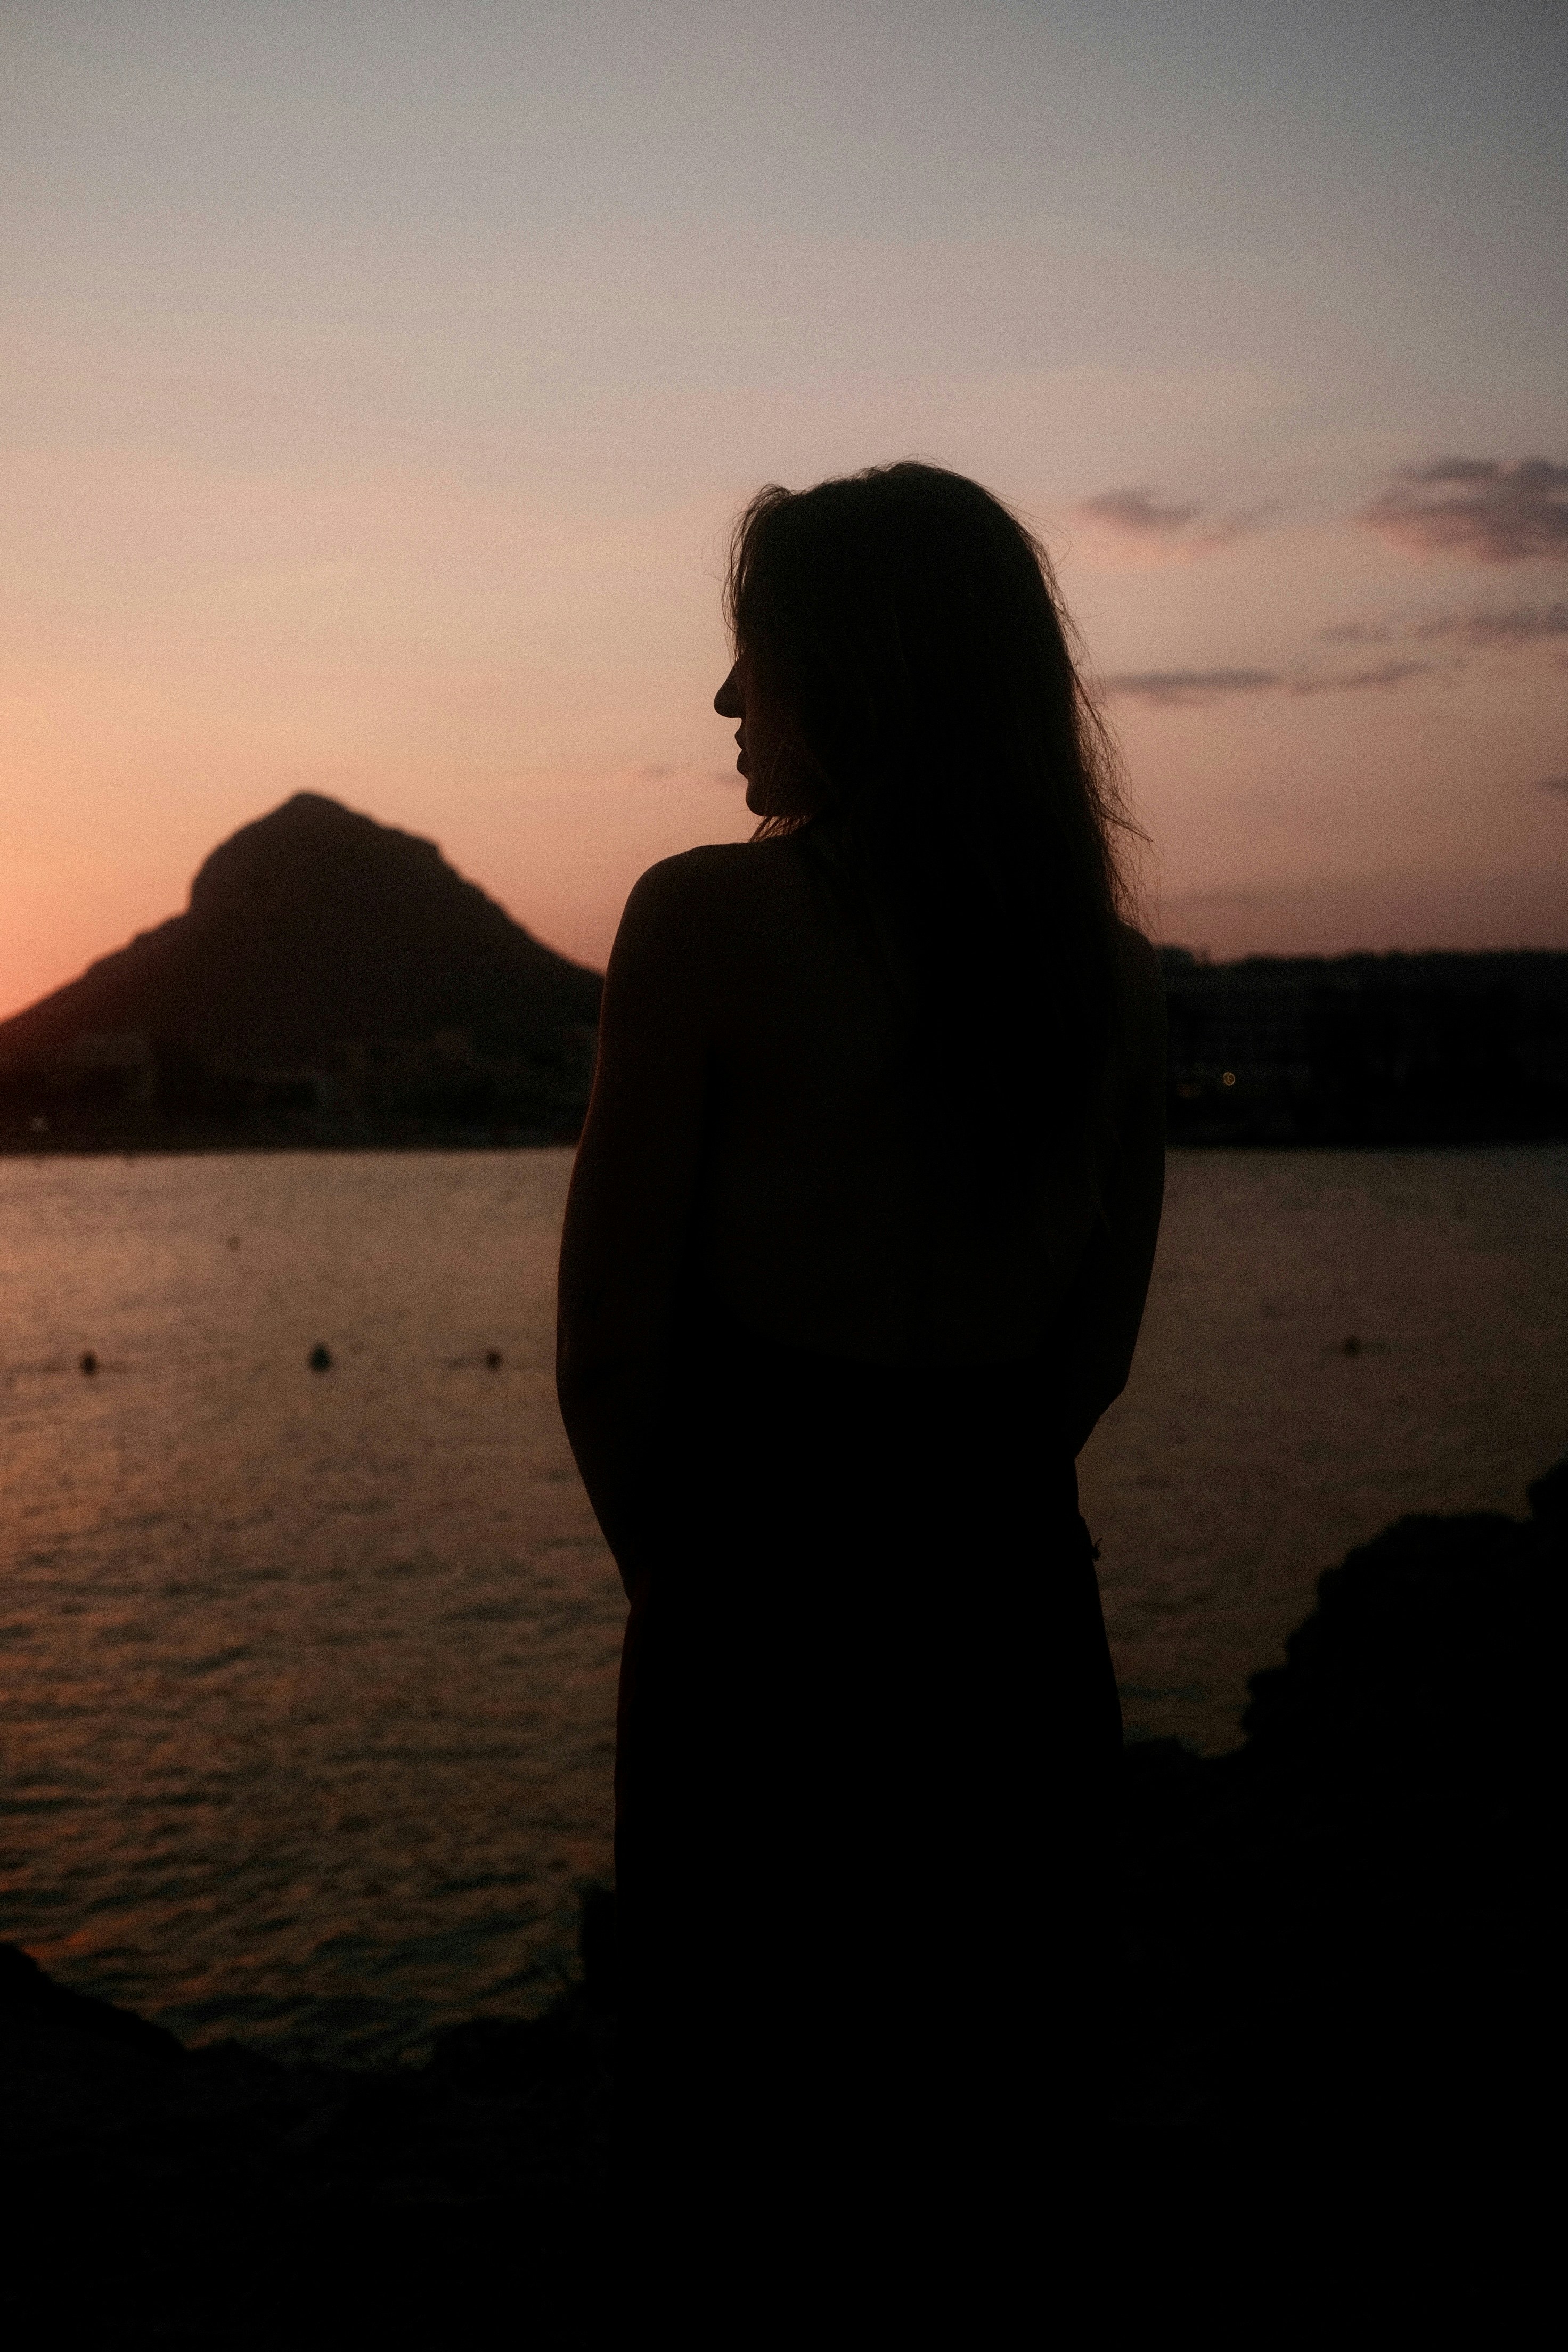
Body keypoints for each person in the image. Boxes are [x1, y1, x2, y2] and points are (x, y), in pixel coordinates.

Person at [556, 462, 1165, 2309]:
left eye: (760, 661)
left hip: (758, 1634)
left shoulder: (707, 925)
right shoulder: (1109, 979)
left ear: (862, 671)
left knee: (756, 2188)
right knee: (990, 2164)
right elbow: (1089, 1359)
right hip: (1013, 1625)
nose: (732, 708)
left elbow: (605, 1356)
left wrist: (698, 1590)